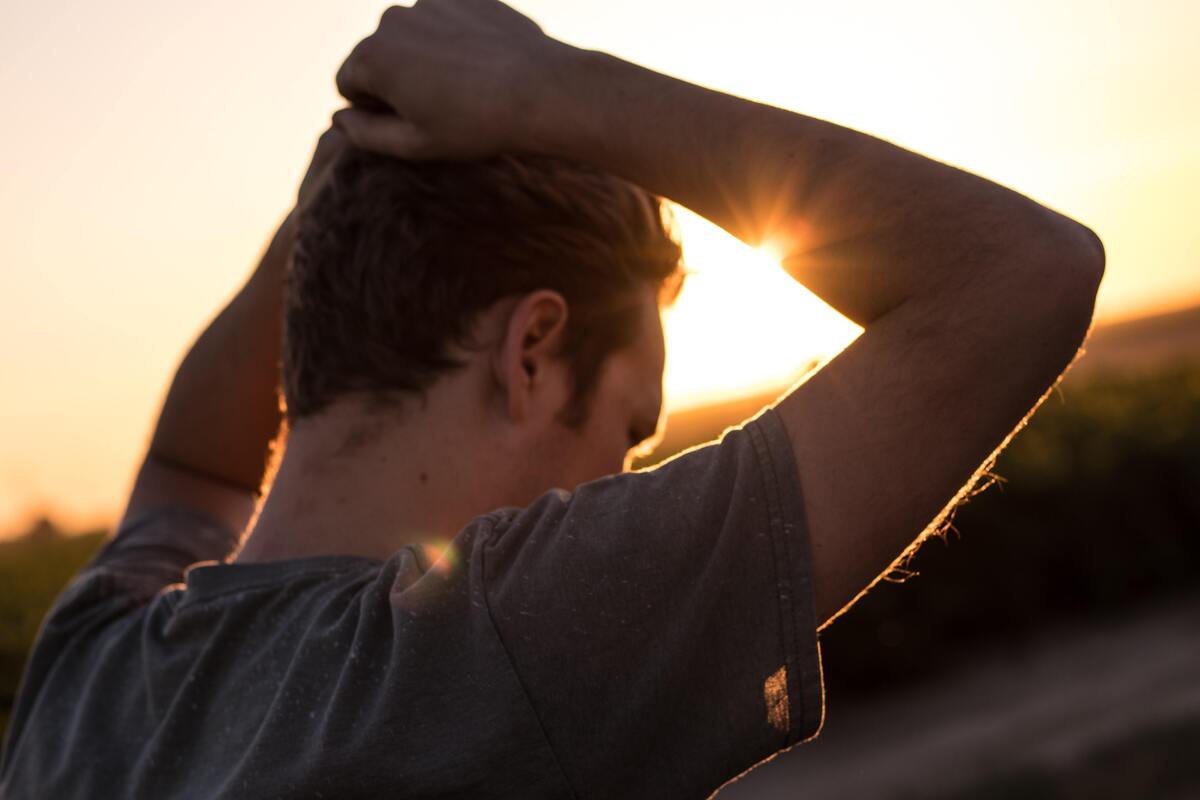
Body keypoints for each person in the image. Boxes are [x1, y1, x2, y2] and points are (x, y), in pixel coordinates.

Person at [0, 1, 1105, 797]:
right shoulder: (498, 653)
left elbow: (193, 468)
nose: (619, 484)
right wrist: (552, 88)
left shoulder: (92, 665)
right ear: (530, 351)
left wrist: (336, 195)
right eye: (628, 432)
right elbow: (1022, 275)